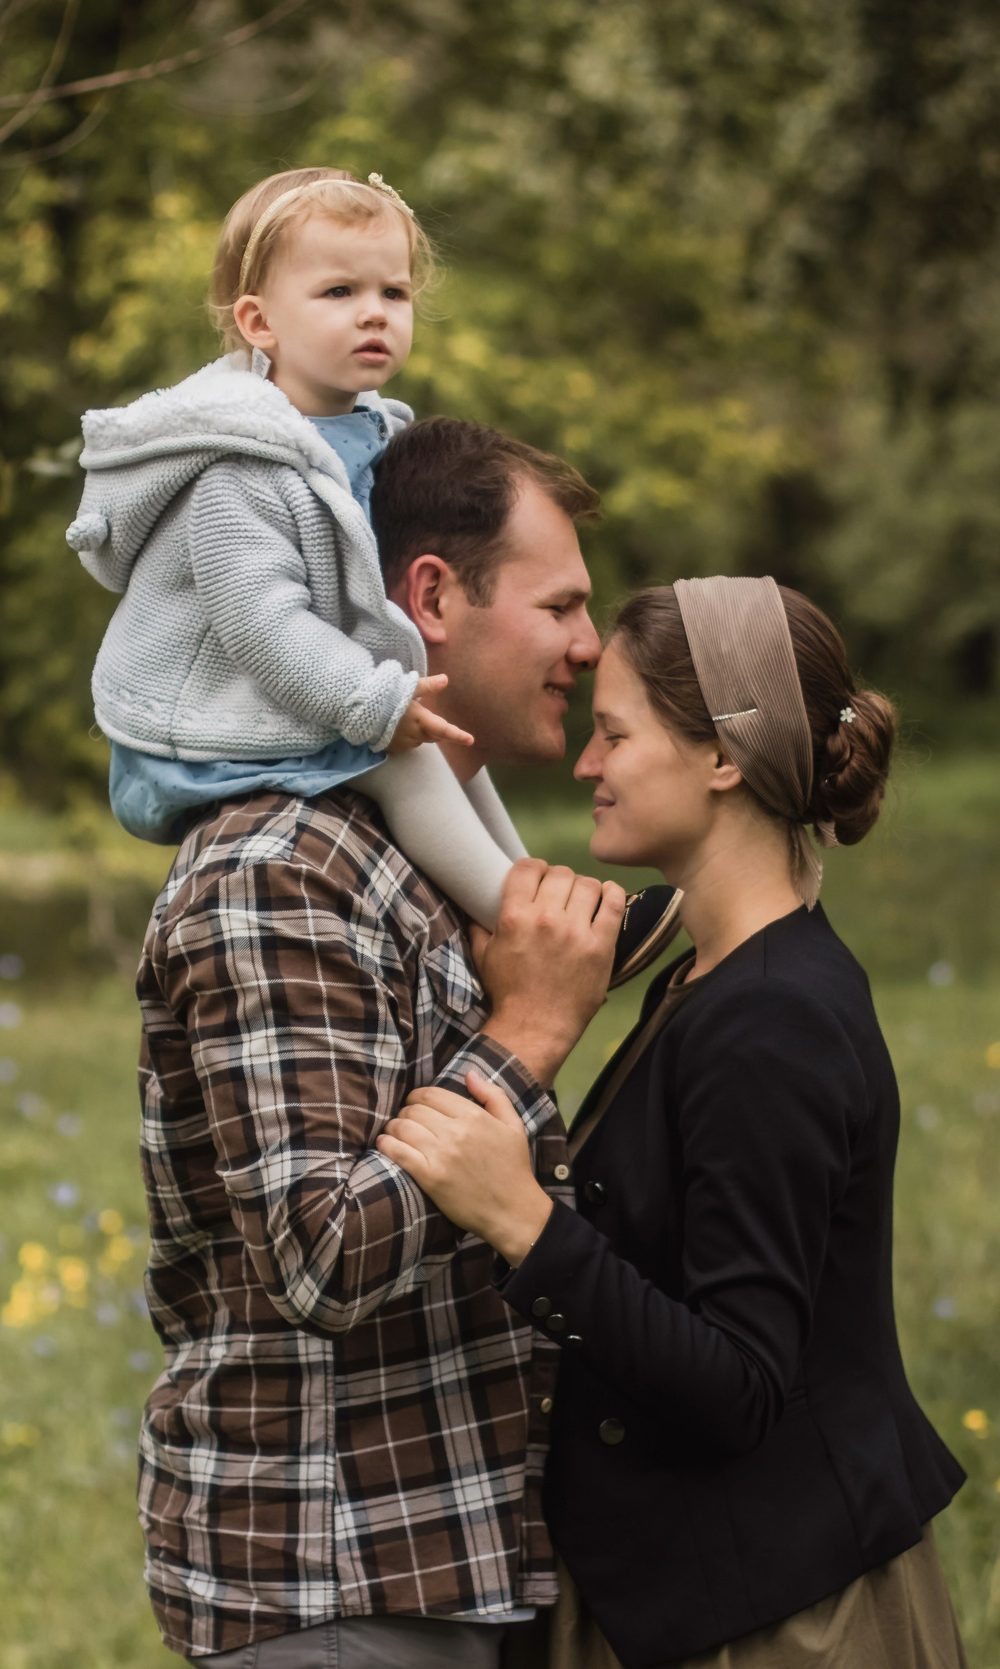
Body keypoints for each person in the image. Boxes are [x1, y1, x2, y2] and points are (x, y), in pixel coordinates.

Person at [378, 579, 970, 1669]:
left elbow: (738, 1385)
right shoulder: (713, 977)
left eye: (614, 734)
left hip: (782, 1623)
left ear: (723, 757)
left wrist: (522, 1221)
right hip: (715, 1591)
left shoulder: (771, 1020)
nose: (585, 764)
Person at [132, 416, 630, 1668]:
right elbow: (321, 1259)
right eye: (560, 606)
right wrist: (528, 1035)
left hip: (442, 1561)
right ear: (433, 599)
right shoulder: (281, 871)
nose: (587, 644)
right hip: (332, 1587)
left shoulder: (412, 854)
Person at [66, 167, 684, 983]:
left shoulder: (360, 435)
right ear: (259, 322)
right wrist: (370, 702)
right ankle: (529, 925)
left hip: (295, 690)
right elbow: (262, 621)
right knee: (405, 754)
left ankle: (542, 901)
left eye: (394, 292)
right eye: (339, 291)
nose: (374, 312)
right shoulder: (237, 469)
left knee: (445, 745)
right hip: (206, 723)